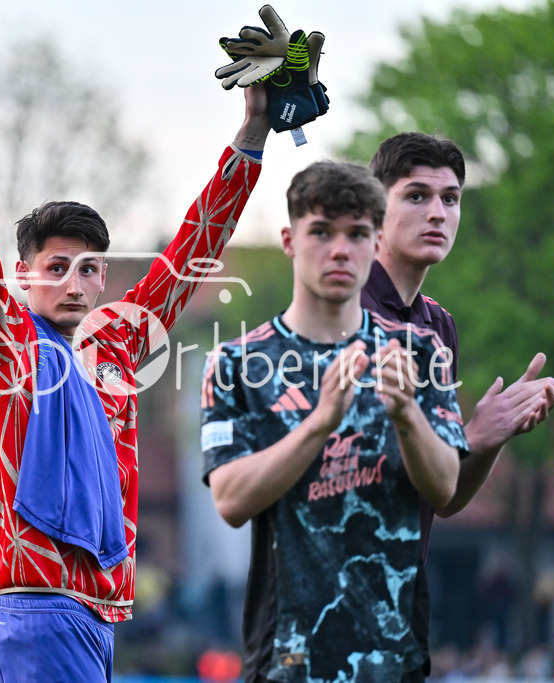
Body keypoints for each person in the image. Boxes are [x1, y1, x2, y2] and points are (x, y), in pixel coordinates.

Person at [0, 34, 271, 681]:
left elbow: (190, 253)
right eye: (57, 266)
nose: (74, 282)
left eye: (90, 267)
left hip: (91, 616)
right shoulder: (4, 343)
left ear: (105, 279)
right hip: (39, 607)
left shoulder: (118, 346)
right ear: (22, 275)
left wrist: (254, 131)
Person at [201, 159, 470, 681]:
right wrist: (319, 423)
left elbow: (444, 489)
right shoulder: (236, 363)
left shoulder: (420, 351)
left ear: (375, 244)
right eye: (321, 232)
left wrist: (407, 414)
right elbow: (231, 501)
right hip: (285, 658)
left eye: (357, 233)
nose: (340, 249)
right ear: (289, 240)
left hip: (394, 658)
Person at [362, 131, 554, 677]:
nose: (437, 212)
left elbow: (447, 494)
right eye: (416, 195)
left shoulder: (439, 326)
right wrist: (468, 437)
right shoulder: (341, 305)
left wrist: (492, 438)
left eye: (450, 199)